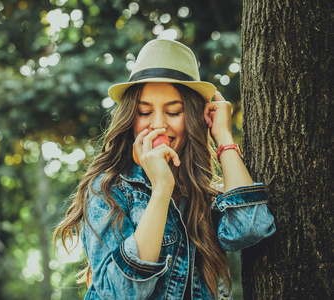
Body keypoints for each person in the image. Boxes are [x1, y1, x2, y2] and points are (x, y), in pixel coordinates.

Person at [54, 39, 276, 300]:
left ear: (193, 117)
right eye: (144, 112)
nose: (158, 125)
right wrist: (161, 188)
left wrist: (224, 137)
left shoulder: (202, 194)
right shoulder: (108, 188)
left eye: (173, 112)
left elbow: (250, 229)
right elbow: (119, 294)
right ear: (130, 118)